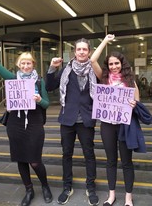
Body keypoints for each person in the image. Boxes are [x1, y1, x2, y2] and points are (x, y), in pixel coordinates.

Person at [0, 30, 53, 206]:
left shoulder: (39, 82)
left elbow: (47, 104)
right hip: (16, 123)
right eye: (23, 63)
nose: (26, 66)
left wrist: (40, 100)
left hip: (34, 123)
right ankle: (29, 190)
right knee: (20, 158)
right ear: (18, 65)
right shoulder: (11, 79)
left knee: (34, 160)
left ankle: (45, 186)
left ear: (33, 64)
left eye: (29, 63)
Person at [46, 38, 99, 205]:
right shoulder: (66, 70)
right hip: (67, 119)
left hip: (86, 119)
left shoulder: (95, 70)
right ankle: (67, 186)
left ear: (89, 52)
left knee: (89, 155)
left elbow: (107, 87)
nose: (82, 52)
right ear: (74, 52)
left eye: (85, 49)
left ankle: (90, 187)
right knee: (66, 154)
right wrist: (52, 68)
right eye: (79, 49)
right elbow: (50, 86)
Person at [90, 34, 140, 206]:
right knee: (111, 160)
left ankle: (128, 197)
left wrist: (134, 103)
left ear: (122, 63)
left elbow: (137, 102)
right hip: (108, 125)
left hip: (125, 125)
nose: (114, 66)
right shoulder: (103, 78)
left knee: (126, 162)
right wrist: (105, 41)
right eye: (111, 64)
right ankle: (111, 195)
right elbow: (92, 60)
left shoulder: (130, 80)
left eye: (116, 63)